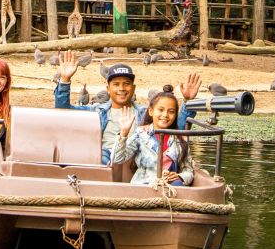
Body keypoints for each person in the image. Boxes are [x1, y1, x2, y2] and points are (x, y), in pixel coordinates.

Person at [53, 50, 200, 166]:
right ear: (108, 88)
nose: (121, 88)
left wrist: (187, 101)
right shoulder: (97, 111)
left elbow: (176, 128)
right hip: (103, 161)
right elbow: (63, 110)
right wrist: (65, 80)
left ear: (133, 88)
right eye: (116, 84)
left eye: (126, 83)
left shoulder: (145, 113)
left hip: (135, 161)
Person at [117, 87, 192, 186]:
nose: (165, 115)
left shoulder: (180, 140)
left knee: (178, 184)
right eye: (161, 110)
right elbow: (118, 159)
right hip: (142, 187)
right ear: (151, 111)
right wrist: (123, 133)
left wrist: (180, 177)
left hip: (169, 188)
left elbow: (189, 170)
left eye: (171, 111)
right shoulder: (141, 133)